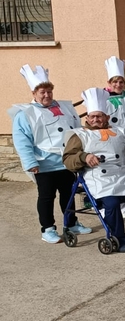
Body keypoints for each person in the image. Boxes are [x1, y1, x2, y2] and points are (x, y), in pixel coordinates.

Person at [62, 88, 125, 252]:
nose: (96, 119)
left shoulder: (121, 131)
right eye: (92, 116)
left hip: (123, 174)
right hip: (98, 176)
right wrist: (84, 157)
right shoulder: (80, 135)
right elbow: (68, 159)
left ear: (107, 117)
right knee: (111, 203)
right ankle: (119, 239)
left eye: (99, 116)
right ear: (88, 118)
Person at [9, 64, 91, 243]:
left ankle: (71, 223)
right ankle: (47, 228)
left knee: (68, 195)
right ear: (34, 93)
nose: (47, 95)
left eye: (49, 91)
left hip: (67, 161)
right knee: (47, 197)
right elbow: (22, 140)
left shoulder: (65, 107)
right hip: (44, 164)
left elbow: (77, 130)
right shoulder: (25, 114)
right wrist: (30, 162)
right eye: (42, 92)